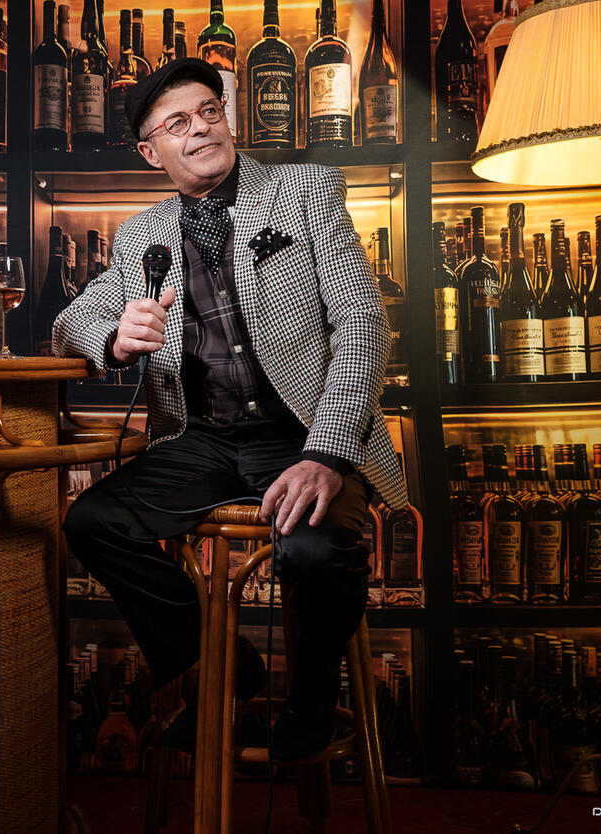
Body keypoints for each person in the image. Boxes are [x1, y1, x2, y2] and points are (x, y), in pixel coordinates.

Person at [53, 58, 408, 763]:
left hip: (304, 431)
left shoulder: (305, 190)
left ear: (228, 118)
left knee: (314, 549)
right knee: (92, 522)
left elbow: (363, 321)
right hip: (204, 440)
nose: (201, 129)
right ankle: (224, 666)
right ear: (151, 152)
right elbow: (70, 325)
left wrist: (328, 453)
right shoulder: (140, 234)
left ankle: (310, 701)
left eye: (209, 111)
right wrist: (114, 336)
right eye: (177, 123)